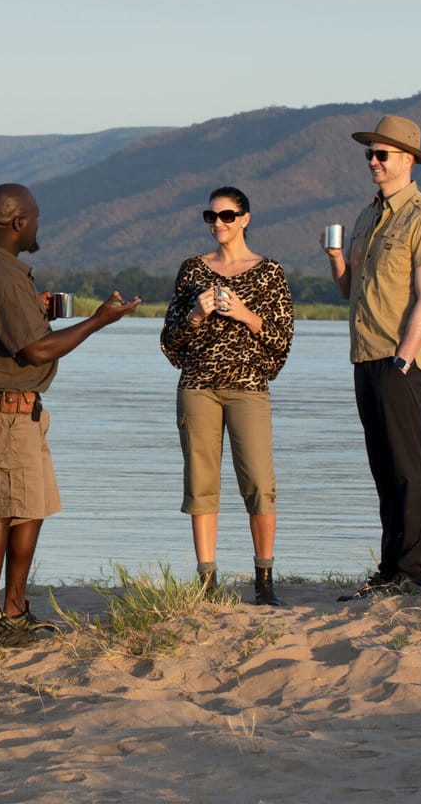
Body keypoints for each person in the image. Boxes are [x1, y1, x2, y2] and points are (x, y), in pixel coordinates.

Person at [0, 182, 141, 646]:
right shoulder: (1, 276)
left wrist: (34, 309)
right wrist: (97, 321)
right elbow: (35, 350)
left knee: (28, 509)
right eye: (34, 218)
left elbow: (1, 328)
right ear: (18, 223)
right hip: (4, 412)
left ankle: (13, 611)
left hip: (12, 411)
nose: (37, 225)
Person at [324, 115, 421, 598]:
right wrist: (336, 257)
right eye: (369, 155)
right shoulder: (366, 216)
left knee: (408, 468)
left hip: (400, 360)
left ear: (408, 160)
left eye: (382, 155)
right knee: (382, 465)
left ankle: (413, 574)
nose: (373, 162)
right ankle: (390, 570)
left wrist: (404, 359)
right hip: (364, 354)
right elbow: (346, 290)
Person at [160, 187, 295, 604]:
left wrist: (244, 314)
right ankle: (207, 583)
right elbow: (169, 343)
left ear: (246, 218)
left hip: (249, 388)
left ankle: (264, 581)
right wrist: (196, 315)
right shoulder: (192, 270)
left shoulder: (269, 272)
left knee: (258, 481)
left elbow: (282, 340)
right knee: (201, 485)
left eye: (228, 215)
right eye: (211, 216)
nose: (219, 223)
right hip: (197, 387)